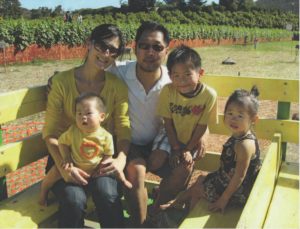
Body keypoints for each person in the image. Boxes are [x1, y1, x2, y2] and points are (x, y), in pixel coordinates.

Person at [107, 21, 208, 227]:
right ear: (135, 47)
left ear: (166, 50)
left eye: (157, 47)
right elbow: (88, 71)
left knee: (184, 167)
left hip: (164, 139)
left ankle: (156, 210)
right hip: (130, 143)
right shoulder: (118, 72)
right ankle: (141, 224)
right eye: (144, 46)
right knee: (136, 173)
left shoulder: (174, 80)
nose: (150, 52)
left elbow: (200, 104)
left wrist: (205, 134)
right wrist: (56, 79)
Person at [43, 24, 131, 228]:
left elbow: (123, 126)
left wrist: (121, 159)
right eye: (102, 45)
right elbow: (50, 132)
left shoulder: (117, 86)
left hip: (100, 158)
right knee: (74, 200)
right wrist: (64, 167)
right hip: (64, 156)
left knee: (108, 194)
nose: (106, 54)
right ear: (89, 44)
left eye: (113, 50)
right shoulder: (62, 82)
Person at [161, 86, 262, 214]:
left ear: (253, 120)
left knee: (198, 190)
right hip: (226, 180)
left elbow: (239, 176)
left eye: (240, 116)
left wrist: (223, 200)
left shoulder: (244, 145)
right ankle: (179, 204)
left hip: (238, 192)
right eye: (230, 113)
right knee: (201, 179)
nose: (233, 119)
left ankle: (183, 213)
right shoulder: (239, 135)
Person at [149, 45, 217, 211]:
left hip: (193, 136)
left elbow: (202, 126)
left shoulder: (209, 95)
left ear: (200, 73)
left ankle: (160, 203)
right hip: (170, 133)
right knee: (155, 161)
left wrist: (187, 149)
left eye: (187, 74)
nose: (182, 81)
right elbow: (168, 122)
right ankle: (164, 188)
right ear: (170, 76)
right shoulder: (168, 91)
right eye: (176, 76)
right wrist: (175, 148)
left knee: (184, 166)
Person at [39, 93, 131, 206]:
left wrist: (102, 165)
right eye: (79, 113)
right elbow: (62, 143)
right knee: (54, 172)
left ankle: (124, 181)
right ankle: (43, 193)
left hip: (95, 168)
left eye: (88, 113)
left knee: (116, 169)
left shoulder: (106, 136)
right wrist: (66, 157)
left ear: (101, 117)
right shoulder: (73, 131)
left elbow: (108, 154)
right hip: (74, 166)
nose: (83, 117)